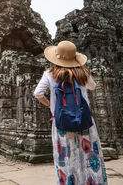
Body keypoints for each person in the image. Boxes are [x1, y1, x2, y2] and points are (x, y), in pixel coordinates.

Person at [34, 40, 107, 185]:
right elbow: (93, 86)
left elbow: (38, 93)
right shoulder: (82, 72)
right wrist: (84, 68)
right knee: (89, 155)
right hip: (85, 121)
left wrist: (51, 107)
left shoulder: (49, 73)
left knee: (66, 156)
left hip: (61, 121)